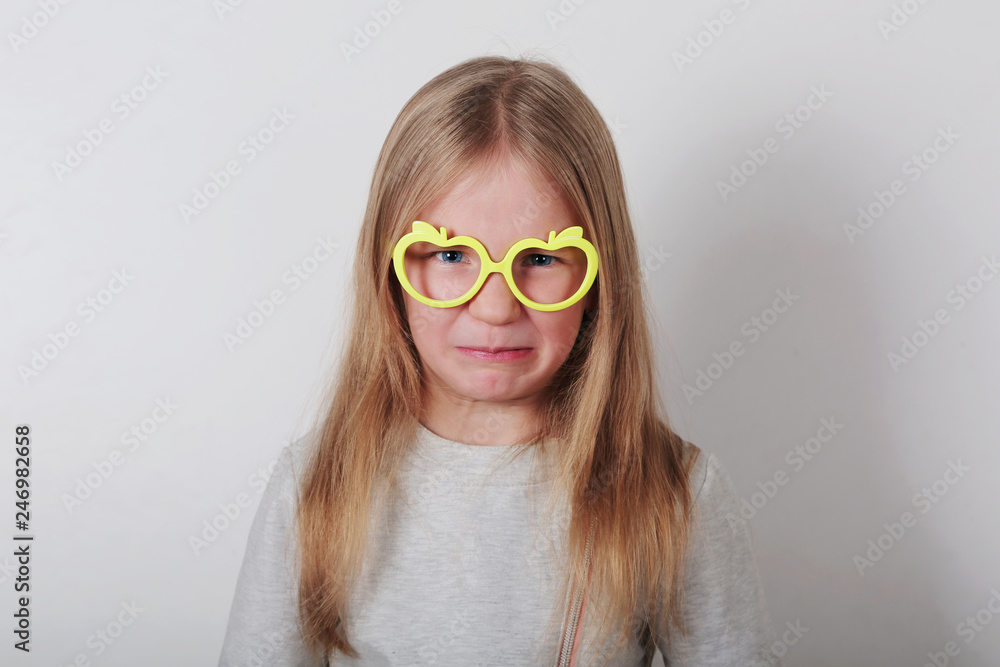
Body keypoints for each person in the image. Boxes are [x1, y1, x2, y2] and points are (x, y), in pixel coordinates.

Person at [218, 54, 780, 667]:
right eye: (451, 254)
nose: (493, 307)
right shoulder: (317, 486)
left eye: (540, 260)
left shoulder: (673, 496)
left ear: (599, 280)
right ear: (392, 273)